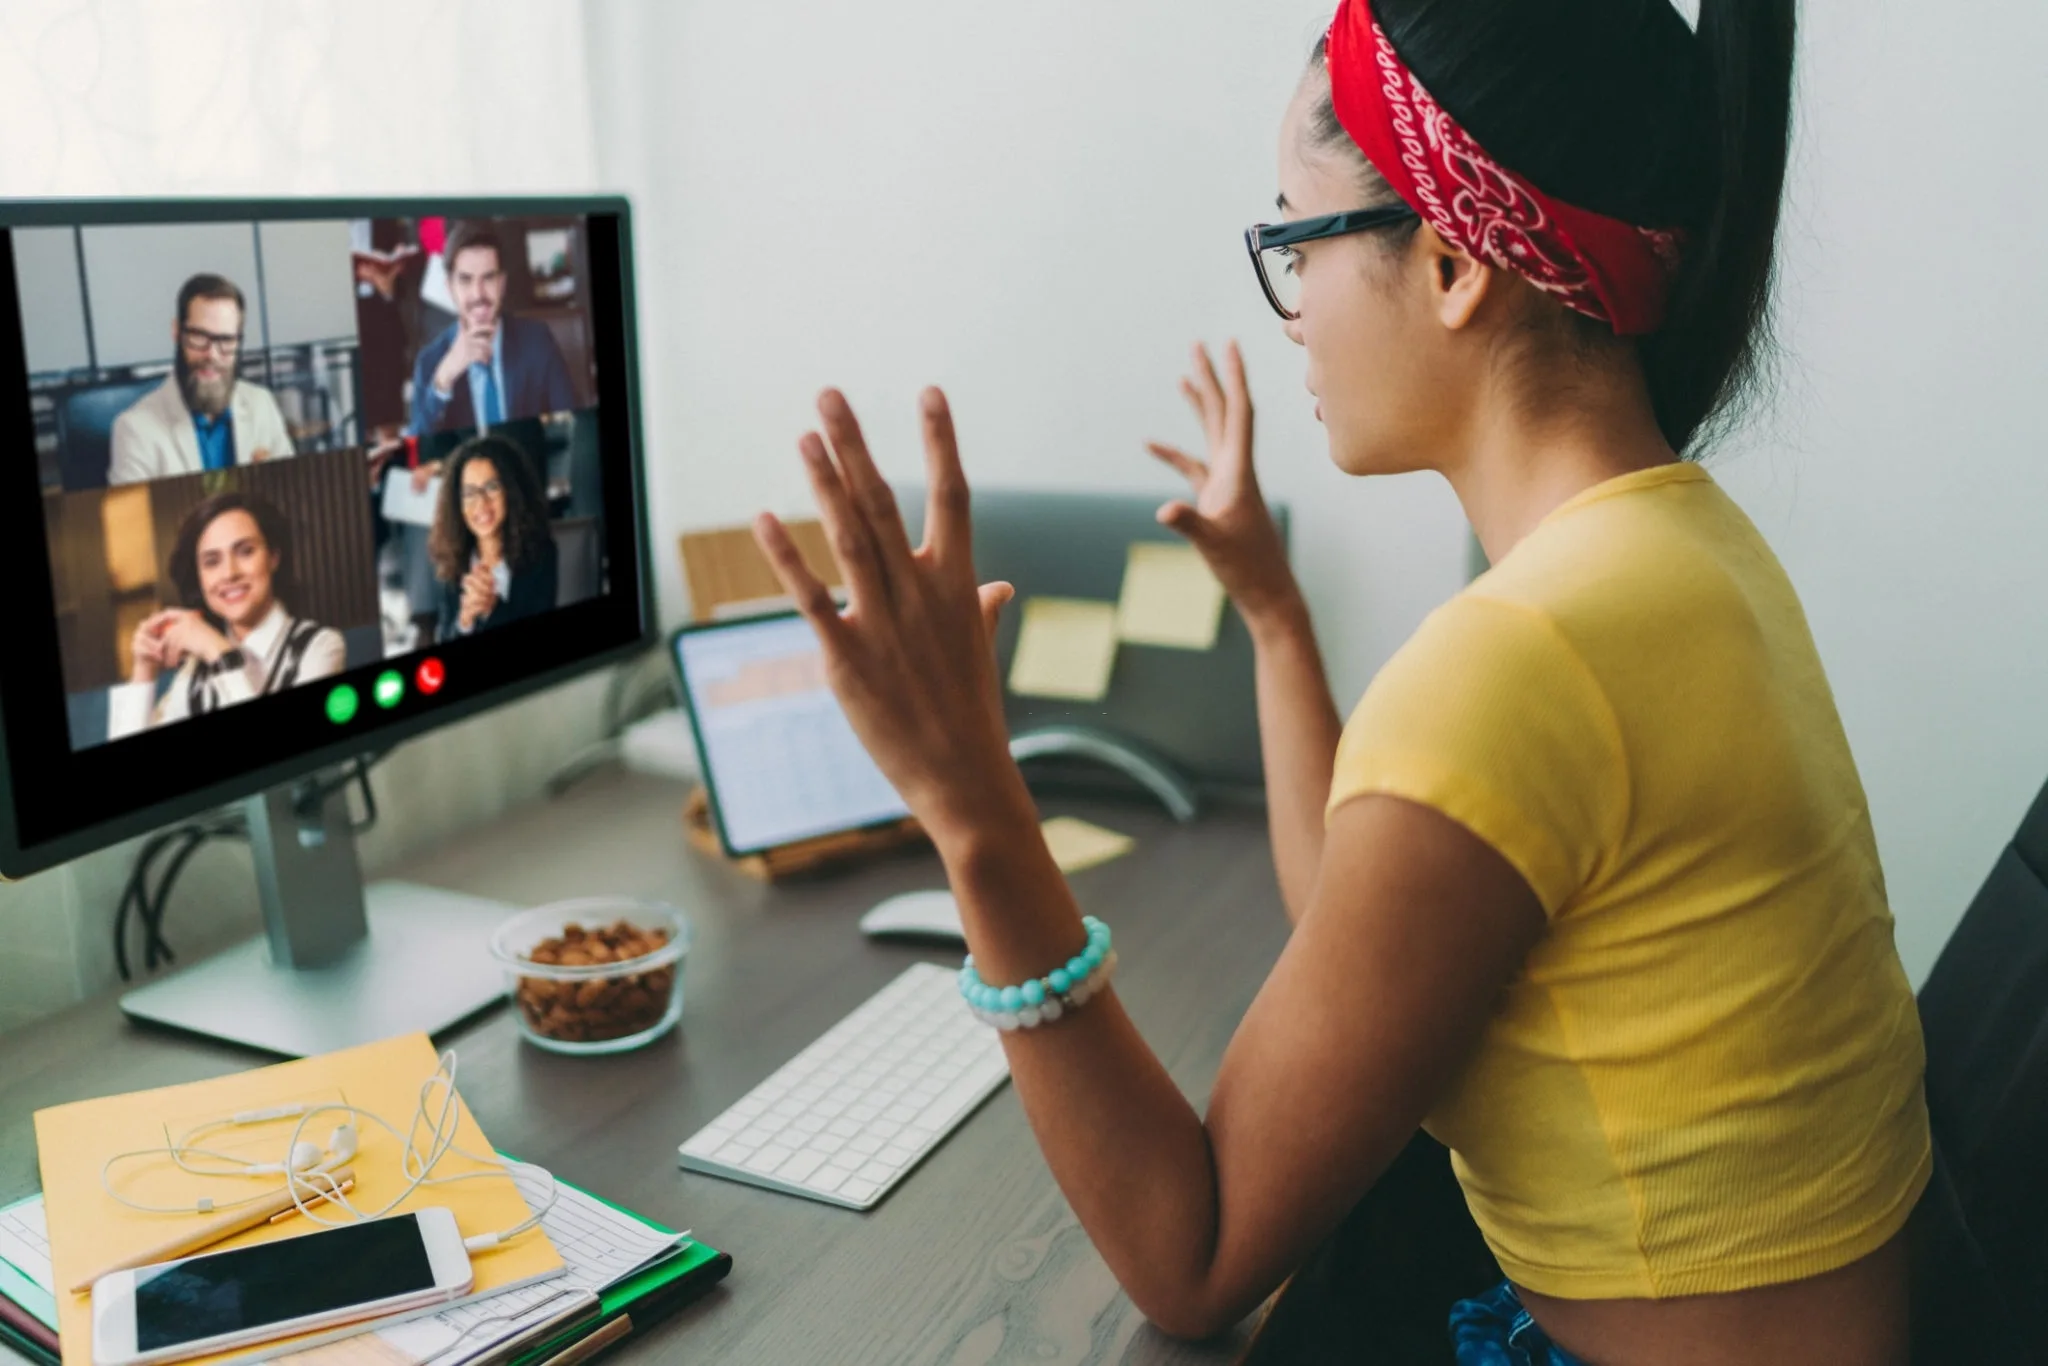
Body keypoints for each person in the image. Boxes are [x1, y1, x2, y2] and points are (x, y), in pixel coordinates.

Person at [750, 0, 1932, 1362]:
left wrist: (970, 802)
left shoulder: (1523, 657)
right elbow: (1357, 922)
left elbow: (1192, 1257)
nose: (1290, 308)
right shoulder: (1679, 551)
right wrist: (1268, 604)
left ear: (1450, 263)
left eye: (1294, 239)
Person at [108, 492, 344, 739]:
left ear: (273, 557)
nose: (229, 573)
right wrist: (144, 669)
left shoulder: (320, 646)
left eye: (245, 551)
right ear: (200, 578)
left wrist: (218, 652)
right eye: (211, 562)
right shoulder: (195, 671)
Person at [108, 274, 296, 486]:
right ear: (176, 332)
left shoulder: (261, 404)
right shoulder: (135, 430)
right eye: (199, 337)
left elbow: (290, 495)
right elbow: (132, 519)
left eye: (226, 340)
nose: (212, 355)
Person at [409, 221, 577, 435]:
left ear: (502, 283)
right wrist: (443, 380)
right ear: (450, 288)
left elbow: (572, 426)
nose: (478, 294)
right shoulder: (430, 363)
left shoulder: (537, 340)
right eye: (465, 280)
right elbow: (418, 451)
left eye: (488, 278)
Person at [430, 435, 557, 640]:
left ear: (512, 492)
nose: (481, 503)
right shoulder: (451, 560)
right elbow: (443, 637)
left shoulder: (540, 553)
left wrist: (492, 608)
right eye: (469, 493)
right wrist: (464, 621)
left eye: (492, 488)